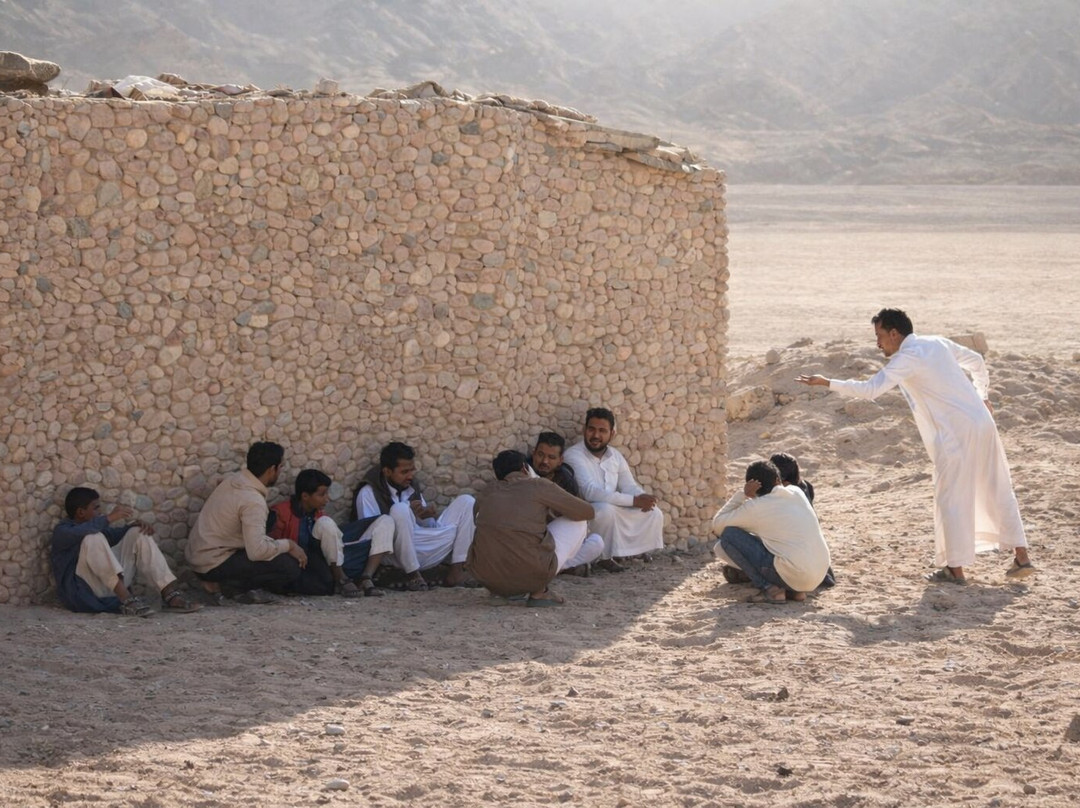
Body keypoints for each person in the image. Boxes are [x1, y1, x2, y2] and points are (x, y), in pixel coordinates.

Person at [797, 308, 1034, 584]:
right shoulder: (936, 342)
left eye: (880, 336)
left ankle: (955, 569)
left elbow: (871, 389)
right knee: (998, 487)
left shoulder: (907, 358)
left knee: (951, 498)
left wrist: (827, 382)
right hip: (983, 424)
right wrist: (982, 395)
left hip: (954, 435)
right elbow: (976, 360)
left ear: (895, 333)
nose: (878, 344)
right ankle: (1022, 557)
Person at [469, 450, 598, 606]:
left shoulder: (486, 492)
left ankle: (504, 592)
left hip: (487, 578)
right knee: (579, 522)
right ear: (525, 468)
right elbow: (587, 512)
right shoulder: (538, 485)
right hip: (531, 575)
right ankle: (540, 592)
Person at [185, 442, 308, 604]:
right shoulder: (253, 501)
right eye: (281, 467)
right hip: (212, 563)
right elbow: (256, 552)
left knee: (269, 524)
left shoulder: (234, 480)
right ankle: (224, 587)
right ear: (272, 469)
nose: (280, 471)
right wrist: (290, 545)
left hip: (199, 556)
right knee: (290, 567)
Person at [51, 487, 201, 616]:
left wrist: (134, 526)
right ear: (81, 512)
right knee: (93, 538)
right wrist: (109, 518)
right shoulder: (63, 531)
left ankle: (170, 594)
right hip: (86, 591)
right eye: (96, 508)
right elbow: (86, 532)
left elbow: (113, 536)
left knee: (138, 533)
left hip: (110, 585)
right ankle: (127, 600)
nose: (100, 512)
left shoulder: (96, 528)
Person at [355, 441, 475, 589]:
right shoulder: (368, 493)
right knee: (400, 509)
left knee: (467, 502)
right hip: (393, 552)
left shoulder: (410, 487)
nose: (410, 476)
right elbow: (371, 535)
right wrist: (406, 510)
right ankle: (413, 574)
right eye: (404, 472)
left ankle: (457, 571)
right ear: (387, 472)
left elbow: (427, 527)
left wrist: (425, 516)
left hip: (420, 545)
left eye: (412, 470)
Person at [712, 460, 832, 604]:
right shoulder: (797, 492)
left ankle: (770, 589)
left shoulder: (756, 507)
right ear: (777, 479)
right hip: (818, 575)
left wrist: (742, 495)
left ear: (753, 488)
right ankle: (795, 591)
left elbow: (717, 526)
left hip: (796, 574)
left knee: (729, 535)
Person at [563, 407, 664, 571]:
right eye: (592, 429)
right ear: (584, 430)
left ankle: (630, 552)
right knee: (604, 510)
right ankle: (602, 556)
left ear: (612, 434)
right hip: (586, 510)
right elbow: (590, 492)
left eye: (602, 431)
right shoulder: (574, 455)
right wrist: (634, 501)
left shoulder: (615, 456)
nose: (596, 435)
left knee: (654, 512)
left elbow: (628, 485)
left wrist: (643, 498)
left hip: (613, 506)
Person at [268, 469, 394, 598]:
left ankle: (366, 577)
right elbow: (274, 546)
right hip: (307, 562)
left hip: (330, 558)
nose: (327, 499)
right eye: (322, 495)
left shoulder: (318, 514)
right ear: (305, 496)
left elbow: (333, 543)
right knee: (325, 523)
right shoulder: (281, 513)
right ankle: (341, 579)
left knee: (385, 521)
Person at [530, 431, 581, 497]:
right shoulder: (523, 472)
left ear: (560, 460)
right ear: (534, 454)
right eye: (541, 455)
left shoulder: (566, 481)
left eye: (551, 457)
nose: (545, 461)